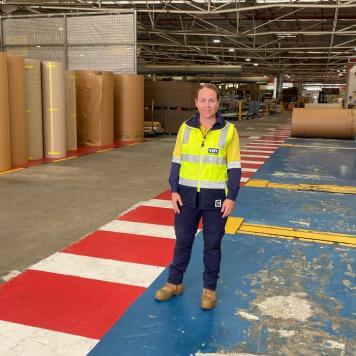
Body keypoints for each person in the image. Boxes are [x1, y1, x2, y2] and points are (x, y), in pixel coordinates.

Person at [155, 83, 241, 309]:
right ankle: (174, 283)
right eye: (202, 100)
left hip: (216, 200)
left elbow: (234, 167)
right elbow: (177, 161)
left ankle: (209, 290)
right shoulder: (185, 128)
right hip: (186, 197)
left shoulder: (229, 131)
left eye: (211, 100)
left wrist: (231, 196)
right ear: (195, 102)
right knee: (182, 241)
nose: (207, 105)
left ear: (218, 103)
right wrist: (173, 190)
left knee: (212, 244)